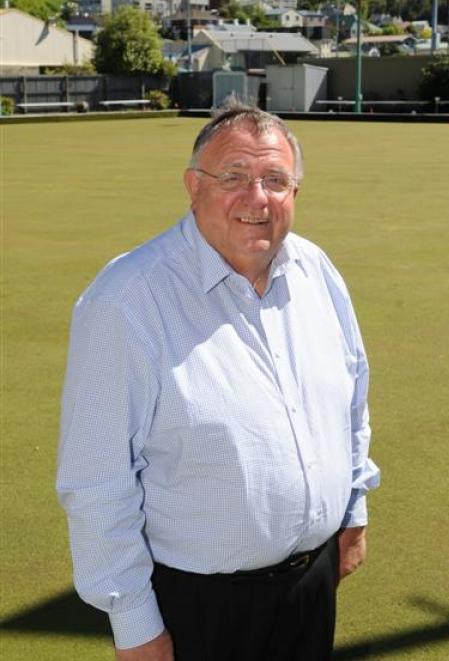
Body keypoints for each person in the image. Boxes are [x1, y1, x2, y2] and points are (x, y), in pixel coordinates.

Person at [56, 101, 380, 661]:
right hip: (200, 607)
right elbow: (96, 479)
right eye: (233, 176)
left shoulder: (316, 271)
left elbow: (351, 401)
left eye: (275, 180)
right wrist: (134, 623)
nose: (257, 198)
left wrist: (352, 512)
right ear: (193, 186)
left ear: (295, 192)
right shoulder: (127, 300)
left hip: (312, 587)